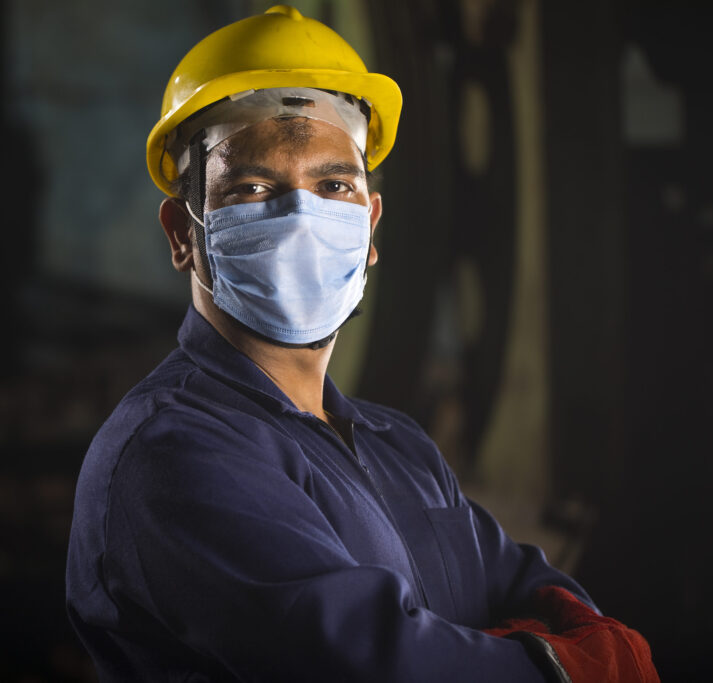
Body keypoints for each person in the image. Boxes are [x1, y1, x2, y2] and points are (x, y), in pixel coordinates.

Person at [66, 6, 658, 681]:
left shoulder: (396, 444)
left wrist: (574, 645)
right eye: (253, 188)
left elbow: (531, 587)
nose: (299, 220)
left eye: (333, 185)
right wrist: (570, 669)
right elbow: (376, 665)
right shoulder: (173, 455)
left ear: (370, 225)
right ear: (182, 232)